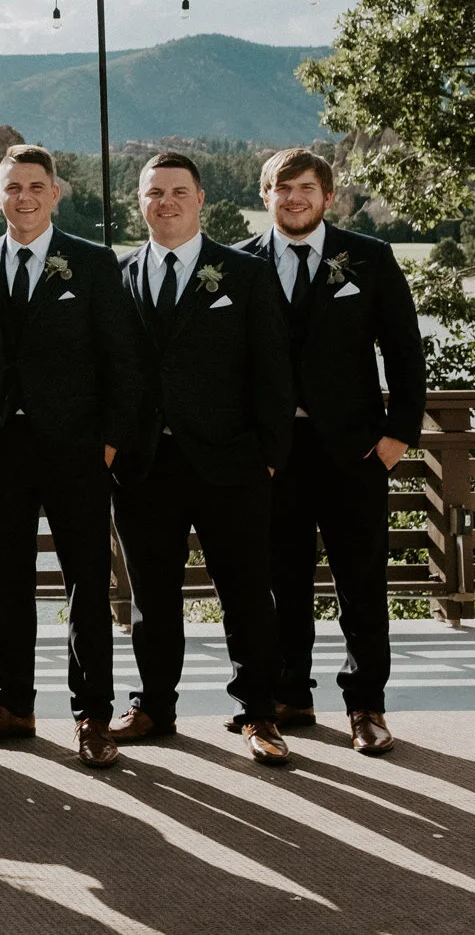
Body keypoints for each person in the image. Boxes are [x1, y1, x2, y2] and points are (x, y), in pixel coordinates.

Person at [0, 145, 147, 768]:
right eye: (12, 188)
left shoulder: (93, 263)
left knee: (88, 583)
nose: (25, 197)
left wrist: (108, 442)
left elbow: (124, 361)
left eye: (36, 186)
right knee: (5, 580)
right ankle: (11, 702)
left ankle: (92, 714)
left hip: (77, 451)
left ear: (55, 193)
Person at [110, 151, 296, 766]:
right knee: (151, 596)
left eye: (178, 192)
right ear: (140, 201)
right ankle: (153, 705)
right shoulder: (119, 274)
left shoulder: (244, 274)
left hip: (231, 462)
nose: (165, 202)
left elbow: (273, 370)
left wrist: (269, 455)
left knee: (246, 592)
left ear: (200, 198)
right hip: (144, 464)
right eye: (154, 193)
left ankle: (258, 711)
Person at [239, 147, 423, 756]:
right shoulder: (239, 264)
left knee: (361, 584)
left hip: (355, 452)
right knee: (281, 581)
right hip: (274, 453)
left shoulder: (369, 258)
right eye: (282, 188)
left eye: (306, 188)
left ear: (328, 197)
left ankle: (366, 705)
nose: (294, 198)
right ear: (265, 195)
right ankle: (291, 693)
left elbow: (405, 351)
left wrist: (398, 436)